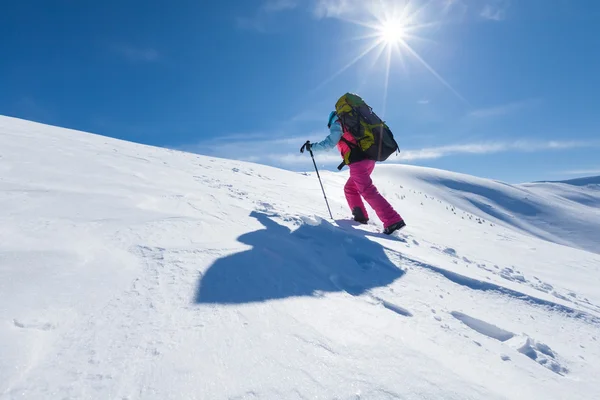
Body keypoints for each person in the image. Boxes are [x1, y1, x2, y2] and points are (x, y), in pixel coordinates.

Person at [303, 111, 406, 235]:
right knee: (350, 188)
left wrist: (312, 147)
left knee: (367, 190)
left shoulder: (338, 122)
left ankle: (392, 221)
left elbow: (329, 143)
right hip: (369, 160)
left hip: (358, 161)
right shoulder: (354, 122)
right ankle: (360, 217)